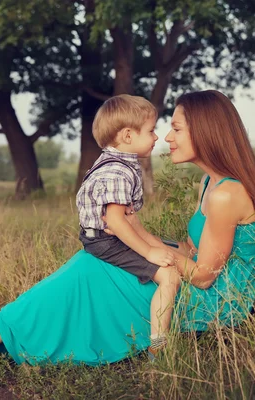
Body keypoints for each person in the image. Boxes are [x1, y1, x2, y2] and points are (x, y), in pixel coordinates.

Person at [0, 90, 255, 367]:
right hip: (202, 282)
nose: (166, 137)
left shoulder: (226, 194)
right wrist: (167, 248)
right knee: (93, 265)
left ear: (207, 132)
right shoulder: (209, 185)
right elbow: (200, 250)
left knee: (92, 268)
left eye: (176, 129)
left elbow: (203, 279)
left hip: (219, 303)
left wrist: (161, 253)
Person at [76, 94, 180, 358]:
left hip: (106, 236)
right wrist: (148, 252)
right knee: (168, 275)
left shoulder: (119, 163)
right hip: (105, 240)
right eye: (151, 130)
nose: (157, 137)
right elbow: (115, 220)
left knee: (173, 248)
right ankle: (159, 349)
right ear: (127, 136)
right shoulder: (118, 171)